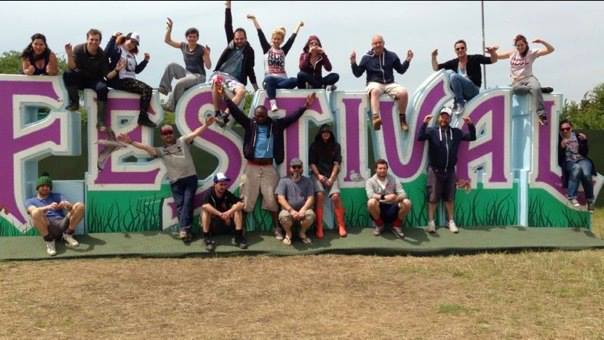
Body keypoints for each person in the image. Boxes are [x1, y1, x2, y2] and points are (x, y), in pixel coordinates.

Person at [214, 84, 316, 241]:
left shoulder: (275, 124)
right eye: (257, 116)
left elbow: (292, 117)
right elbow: (236, 111)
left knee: (271, 200)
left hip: (269, 168)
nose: (259, 119)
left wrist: (305, 106)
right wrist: (226, 97)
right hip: (252, 168)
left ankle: (277, 228)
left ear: (267, 114)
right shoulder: (250, 124)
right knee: (246, 199)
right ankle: (241, 230)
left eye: (262, 116)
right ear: (254, 116)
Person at [117, 116, 215, 242]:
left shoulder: (182, 141)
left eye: (170, 132)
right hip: (175, 182)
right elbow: (146, 147)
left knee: (187, 202)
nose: (168, 135)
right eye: (164, 133)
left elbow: (195, 133)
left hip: (190, 178)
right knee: (181, 206)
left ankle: (184, 229)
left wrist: (206, 125)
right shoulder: (161, 150)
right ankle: (186, 231)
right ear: (162, 136)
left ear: (173, 133)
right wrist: (131, 142)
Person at [417, 107, 476, 233]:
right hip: (435, 170)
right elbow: (420, 137)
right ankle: (431, 222)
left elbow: (472, 137)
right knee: (432, 197)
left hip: (450, 171)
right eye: (442, 116)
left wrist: (470, 125)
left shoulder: (456, 132)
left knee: (450, 198)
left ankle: (451, 222)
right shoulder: (431, 131)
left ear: (450, 119)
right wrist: (424, 123)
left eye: (447, 116)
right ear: (439, 118)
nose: (444, 118)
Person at [210, 0, 259, 127]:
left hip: (235, 80)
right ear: (233, 38)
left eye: (241, 39)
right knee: (216, 80)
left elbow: (250, 70)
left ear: (246, 38)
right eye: (237, 38)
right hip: (222, 74)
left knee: (242, 91)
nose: (239, 41)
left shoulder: (249, 51)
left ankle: (225, 115)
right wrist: (228, 6)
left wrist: (256, 88)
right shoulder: (230, 45)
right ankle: (217, 113)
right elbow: (228, 25)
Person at [63, 28, 122, 132]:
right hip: (80, 77)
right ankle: (75, 103)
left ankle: (100, 121)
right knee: (68, 74)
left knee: (103, 88)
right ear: (87, 39)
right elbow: (72, 67)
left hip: (94, 80)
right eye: (92, 39)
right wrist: (69, 55)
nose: (94, 42)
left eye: (97, 40)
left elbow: (107, 75)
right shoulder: (78, 49)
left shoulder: (102, 54)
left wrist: (117, 70)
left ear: (100, 41)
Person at [351, 35, 413, 131]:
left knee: (403, 92)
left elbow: (401, 70)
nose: (378, 45)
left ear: (384, 43)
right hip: (375, 83)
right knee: (375, 91)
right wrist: (353, 62)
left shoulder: (392, 56)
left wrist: (408, 60)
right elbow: (358, 73)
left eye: (380, 42)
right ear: (372, 45)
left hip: (390, 83)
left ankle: (402, 119)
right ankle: (375, 117)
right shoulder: (366, 57)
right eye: (375, 43)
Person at [492, 35, 555, 126]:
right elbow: (496, 57)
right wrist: (492, 51)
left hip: (529, 78)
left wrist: (542, 42)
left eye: (522, 45)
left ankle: (541, 115)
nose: (520, 47)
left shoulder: (531, 53)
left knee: (535, 87)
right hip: (517, 81)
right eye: (518, 45)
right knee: (516, 90)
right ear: (516, 46)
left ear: (526, 44)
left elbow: (551, 50)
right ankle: (536, 90)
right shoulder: (512, 53)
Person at [247, 14, 303, 112]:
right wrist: (254, 20)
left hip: (282, 80)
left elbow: (292, 39)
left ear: (281, 41)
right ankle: (273, 104)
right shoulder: (267, 49)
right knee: (269, 79)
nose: (276, 41)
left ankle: (273, 88)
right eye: (274, 39)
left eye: (278, 39)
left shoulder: (283, 51)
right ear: (272, 39)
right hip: (270, 79)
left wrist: (298, 26)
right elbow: (260, 34)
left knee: (295, 80)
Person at [431, 40, 498, 115]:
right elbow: (436, 68)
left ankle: (460, 103)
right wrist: (433, 57)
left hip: (473, 90)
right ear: (455, 51)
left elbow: (493, 60)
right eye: (458, 49)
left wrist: (492, 52)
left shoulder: (475, 58)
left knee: (453, 76)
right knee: (448, 77)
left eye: (462, 48)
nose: (460, 50)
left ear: (466, 49)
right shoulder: (454, 62)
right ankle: (458, 101)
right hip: (463, 93)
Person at [25, 173, 85, 256]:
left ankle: (68, 234)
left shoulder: (57, 196)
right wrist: (48, 207)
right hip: (47, 225)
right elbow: (32, 210)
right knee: (35, 212)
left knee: (80, 205)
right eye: (43, 186)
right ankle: (49, 241)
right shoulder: (30, 200)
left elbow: (70, 206)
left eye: (48, 186)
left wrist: (66, 205)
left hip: (62, 222)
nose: (45, 188)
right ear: (37, 188)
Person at [159, 19, 212, 112]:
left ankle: (172, 106)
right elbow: (167, 41)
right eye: (190, 37)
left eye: (194, 37)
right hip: (187, 73)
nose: (192, 39)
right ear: (186, 38)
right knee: (171, 65)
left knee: (179, 83)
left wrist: (207, 55)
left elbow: (208, 66)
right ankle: (164, 88)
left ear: (197, 38)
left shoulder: (201, 49)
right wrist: (169, 29)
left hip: (198, 76)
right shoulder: (183, 46)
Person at [105, 32, 156, 128]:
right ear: (126, 39)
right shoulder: (118, 49)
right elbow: (106, 53)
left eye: (135, 44)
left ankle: (142, 117)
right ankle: (143, 118)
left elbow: (136, 70)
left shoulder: (131, 55)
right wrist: (113, 37)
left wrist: (145, 61)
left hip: (129, 80)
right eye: (131, 41)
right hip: (119, 80)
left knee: (148, 89)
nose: (132, 45)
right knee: (147, 89)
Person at [309, 124, 347, 239]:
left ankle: (341, 225)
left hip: (331, 175)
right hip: (318, 175)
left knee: (335, 196)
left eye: (328, 132)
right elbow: (312, 163)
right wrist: (319, 176)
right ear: (320, 134)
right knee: (320, 195)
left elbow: (337, 163)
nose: (326, 134)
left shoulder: (336, 146)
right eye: (323, 132)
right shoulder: (314, 146)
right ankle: (319, 227)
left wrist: (331, 177)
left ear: (331, 134)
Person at [365, 159, 411, 239]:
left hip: (393, 207)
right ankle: (379, 225)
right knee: (371, 202)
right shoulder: (370, 181)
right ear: (375, 169)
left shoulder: (394, 179)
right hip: (379, 208)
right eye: (380, 168)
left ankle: (396, 226)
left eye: (384, 168)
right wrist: (383, 197)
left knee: (407, 202)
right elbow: (370, 195)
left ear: (387, 169)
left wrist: (395, 198)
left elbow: (403, 194)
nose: (382, 170)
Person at [201, 172, 246, 251]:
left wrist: (229, 212)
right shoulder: (209, 193)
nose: (223, 187)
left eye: (225, 184)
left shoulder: (226, 193)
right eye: (221, 184)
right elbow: (205, 205)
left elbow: (241, 204)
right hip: (214, 223)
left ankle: (238, 236)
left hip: (227, 221)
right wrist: (220, 214)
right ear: (215, 184)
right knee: (205, 210)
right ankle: (207, 239)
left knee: (237, 208)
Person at [275, 158, 316, 245]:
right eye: (294, 167)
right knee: (283, 216)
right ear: (290, 168)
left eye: (299, 167)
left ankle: (302, 233)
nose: (296, 169)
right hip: (288, 211)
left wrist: (303, 209)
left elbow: (311, 198)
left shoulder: (308, 181)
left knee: (310, 215)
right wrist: (291, 210)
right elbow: (280, 198)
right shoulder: (283, 181)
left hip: (303, 211)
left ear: (302, 169)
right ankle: (288, 233)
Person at [557, 119, 595, 212]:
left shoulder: (578, 137)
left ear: (571, 128)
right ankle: (572, 196)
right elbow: (557, 158)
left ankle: (590, 201)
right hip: (569, 162)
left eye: (567, 128)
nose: (565, 131)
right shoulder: (558, 138)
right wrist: (561, 147)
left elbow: (584, 153)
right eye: (562, 129)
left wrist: (584, 141)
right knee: (576, 168)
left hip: (582, 160)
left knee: (586, 175)